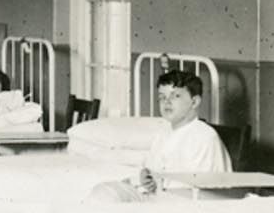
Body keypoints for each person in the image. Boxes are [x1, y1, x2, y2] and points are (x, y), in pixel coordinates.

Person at [91, 69, 232, 201]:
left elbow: (211, 194)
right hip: (156, 200)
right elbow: (152, 171)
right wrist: (146, 178)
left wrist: (159, 188)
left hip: (182, 206)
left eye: (175, 96)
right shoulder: (164, 132)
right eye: (162, 97)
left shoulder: (204, 138)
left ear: (194, 102)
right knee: (104, 191)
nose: (167, 102)